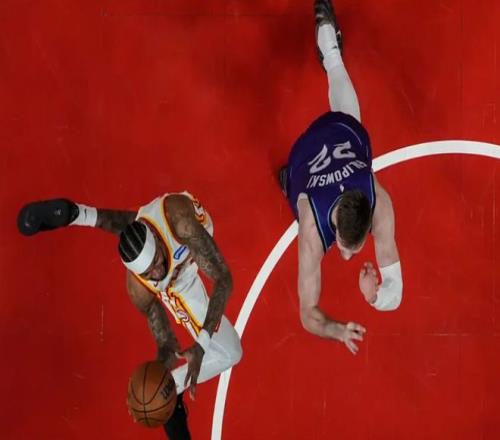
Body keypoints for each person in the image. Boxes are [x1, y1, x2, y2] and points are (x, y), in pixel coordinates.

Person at [17, 192, 242, 439]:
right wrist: (156, 390)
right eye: (149, 273)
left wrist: (201, 344)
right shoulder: (140, 289)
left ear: (156, 241)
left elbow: (224, 279)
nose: (157, 272)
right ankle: (174, 389)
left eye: (157, 261)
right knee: (231, 352)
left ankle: (78, 213)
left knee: (133, 222)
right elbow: (167, 345)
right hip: (179, 281)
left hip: (186, 238)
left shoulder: (181, 223)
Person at [279, 0, 403, 355]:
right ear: (335, 232)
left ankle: (329, 46)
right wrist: (336, 330)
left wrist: (374, 295)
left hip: (340, 133)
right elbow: (307, 313)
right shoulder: (311, 229)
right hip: (306, 157)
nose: (348, 256)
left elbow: (393, 293)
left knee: (350, 118)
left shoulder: (377, 202)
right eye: (348, 248)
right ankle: (330, 52)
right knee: (294, 188)